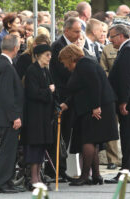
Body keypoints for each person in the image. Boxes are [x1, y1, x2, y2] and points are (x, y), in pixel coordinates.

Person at [59, 44, 118, 186]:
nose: (65, 65)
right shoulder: (86, 63)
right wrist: (67, 103)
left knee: (88, 140)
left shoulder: (84, 64)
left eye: (64, 61)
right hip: (95, 106)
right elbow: (81, 88)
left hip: (96, 107)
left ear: (69, 57)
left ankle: (85, 176)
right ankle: (96, 175)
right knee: (93, 140)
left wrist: (95, 106)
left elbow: (95, 84)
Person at [106, 24, 130, 183]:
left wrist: (123, 101)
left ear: (121, 36)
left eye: (112, 36)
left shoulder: (128, 50)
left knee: (129, 139)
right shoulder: (128, 49)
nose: (110, 40)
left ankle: (127, 172)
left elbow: (126, 79)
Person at [48, 17, 82, 181]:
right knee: (61, 135)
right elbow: (63, 72)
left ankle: (61, 168)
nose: (79, 34)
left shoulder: (76, 45)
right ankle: (56, 169)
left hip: (72, 96)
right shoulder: (58, 46)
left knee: (67, 135)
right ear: (66, 30)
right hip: (62, 96)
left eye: (80, 30)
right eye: (76, 31)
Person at [0, 35, 24, 193]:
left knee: (10, 151)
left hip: (7, 117)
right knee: (7, 152)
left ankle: (7, 181)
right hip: (8, 118)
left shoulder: (2, 63)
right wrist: (15, 116)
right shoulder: (5, 66)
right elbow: (7, 95)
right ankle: (1, 183)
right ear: (16, 48)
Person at [22, 44, 55, 189]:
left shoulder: (45, 71)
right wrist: (48, 90)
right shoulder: (32, 71)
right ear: (38, 55)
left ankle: (38, 176)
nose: (49, 58)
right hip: (34, 115)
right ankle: (33, 178)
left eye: (50, 55)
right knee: (34, 146)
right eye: (46, 55)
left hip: (44, 115)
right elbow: (32, 93)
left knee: (41, 147)